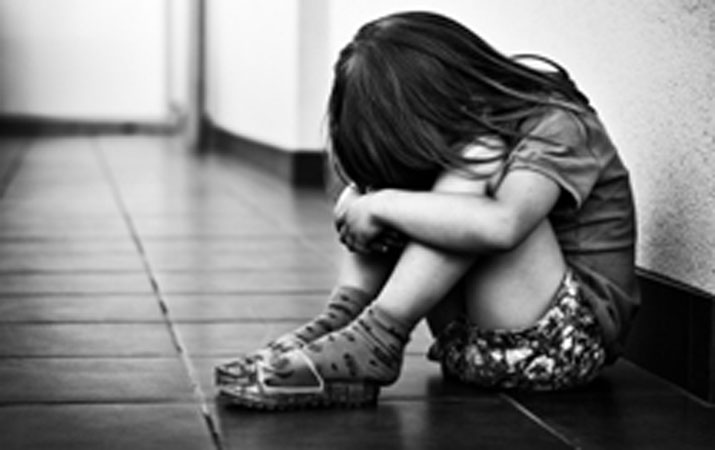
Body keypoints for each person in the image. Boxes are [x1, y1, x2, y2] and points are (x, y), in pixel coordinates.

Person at [214, 11, 639, 410]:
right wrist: (367, 195)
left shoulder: (558, 122)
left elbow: (504, 225)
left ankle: (375, 338)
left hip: (561, 348)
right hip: (463, 344)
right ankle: (344, 327)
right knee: (417, 183)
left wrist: (380, 204)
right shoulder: (467, 120)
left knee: (476, 158)